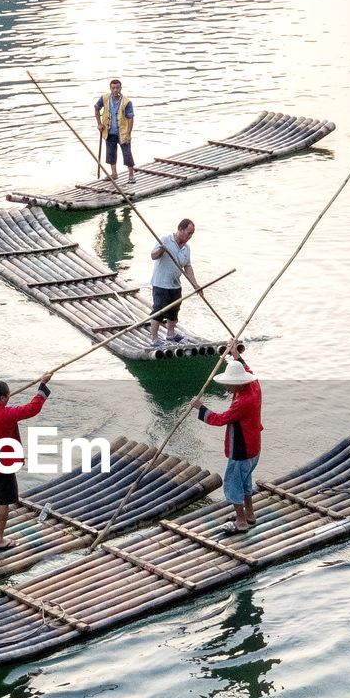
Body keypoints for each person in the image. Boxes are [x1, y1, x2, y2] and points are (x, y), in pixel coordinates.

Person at [0, 372, 54, 550]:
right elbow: (32, 409)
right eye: (8, 396)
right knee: (2, 502)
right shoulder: (7, 414)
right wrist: (42, 385)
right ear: (2, 398)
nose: (9, 398)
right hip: (1, 465)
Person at [191, 343, 262, 534]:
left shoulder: (243, 402)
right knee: (245, 480)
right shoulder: (254, 387)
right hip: (254, 447)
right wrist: (235, 355)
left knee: (233, 483)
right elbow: (247, 368)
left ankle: (241, 521)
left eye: (229, 384)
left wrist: (200, 408)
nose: (227, 387)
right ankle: (250, 514)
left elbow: (221, 419)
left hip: (242, 449)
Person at [150, 218, 201, 345]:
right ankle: (154, 338)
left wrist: (195, 284)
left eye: (192, 234)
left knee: (174, 310)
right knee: (159, 311)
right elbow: (153, 256)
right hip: (161, 284)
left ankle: (171, 334)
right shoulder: (166, 240)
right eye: (189, 233)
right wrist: (161, 250)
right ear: (180, 230)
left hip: (175, 284)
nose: (190, 236)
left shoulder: (187, 248)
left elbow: (187, 267)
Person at [94, 78, 135, 184]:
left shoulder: (126, 102)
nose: (115, 90)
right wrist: (99, 123)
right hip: (109, 131)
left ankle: (131, 176)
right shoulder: (105, 98)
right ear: (110, 88)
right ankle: (114, 174)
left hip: (122, 133)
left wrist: (129, 134)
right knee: (111, 154)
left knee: (127, 154)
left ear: (120, 88)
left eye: (117, 88)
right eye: (113, 88)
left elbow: (130, 118)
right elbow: (96, 108)